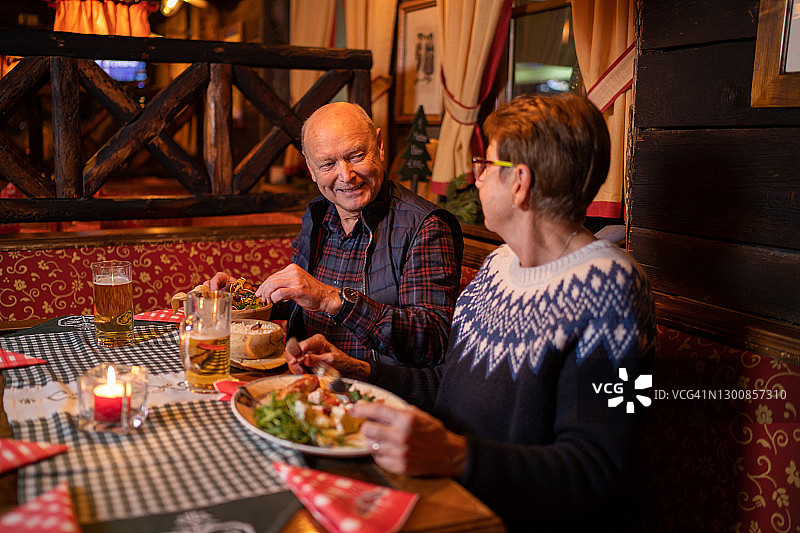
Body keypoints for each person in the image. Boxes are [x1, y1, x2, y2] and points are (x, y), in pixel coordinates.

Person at [284, 94, 657, 532]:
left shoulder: (614, 291)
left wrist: (455, 454)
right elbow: (446, 385)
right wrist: (362, 371)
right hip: (447, 494)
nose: (474, 180)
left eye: (486, 166)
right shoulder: (498, 268)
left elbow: (597, 468)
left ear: (519, 183)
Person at [208, 102, 463, 367]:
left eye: (356, 156)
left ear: (379, 145)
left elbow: (432, 340)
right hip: (302, 379)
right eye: (328, 164)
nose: (346, 176)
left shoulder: (426, 226)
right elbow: (304, 300)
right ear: (310, 168)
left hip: (373, 393)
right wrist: (241, 296)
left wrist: (333, 300)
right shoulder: (320, 214)